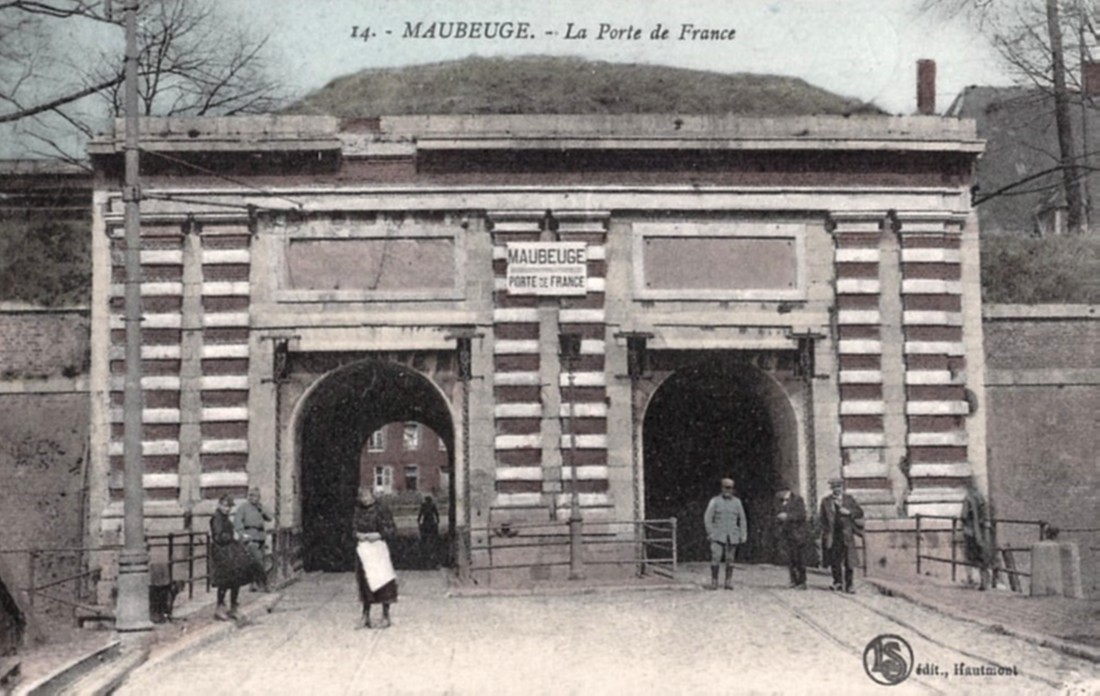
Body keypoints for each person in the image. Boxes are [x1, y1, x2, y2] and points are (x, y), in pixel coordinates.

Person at [353, 487, 398, 629]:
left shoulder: (382, 509)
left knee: (383, 581)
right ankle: (365, 615)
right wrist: (357, 535)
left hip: (378, 548)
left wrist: (378, 535)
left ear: (372, 496)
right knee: (365, 581)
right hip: (363, 550)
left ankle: (386, 615)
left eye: (366, 495)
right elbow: (352, 528)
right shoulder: (358, 510)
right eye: (361, 496)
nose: (364, 499)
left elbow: (392, 529)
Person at [209, 494, 254, 621]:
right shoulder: (216, 518)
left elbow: (229, 533)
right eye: (225, 506)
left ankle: (233, 607)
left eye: (229, 506)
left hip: (230, 553)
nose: (227, 509)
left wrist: (239, 536)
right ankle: (220, 608)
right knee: (223, 581)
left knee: (236, 579)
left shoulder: (224, 518)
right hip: (222, 554)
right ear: (219, 505)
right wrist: (232, 537)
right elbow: (217, 536)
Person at [819, 478, 864, 594]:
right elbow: (822, 519)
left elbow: (859, 512)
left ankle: (849, 585)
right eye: (834, 487)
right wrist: (824, 533)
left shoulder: (849, 500)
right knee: (835, 560)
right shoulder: (826, 501)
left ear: (842, 488)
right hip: (833, 534)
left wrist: (848, 512)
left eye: (839, 487)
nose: (837, 489)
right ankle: (837, 582)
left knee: (849, 561)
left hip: (846, 534)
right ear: (831, 489)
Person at [703, 478, 747, 590]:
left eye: (730, 488)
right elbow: (708, 518)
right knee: (715, 558)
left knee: (730, 560)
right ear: (721, 488)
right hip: (717, 535)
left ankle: (728, 582)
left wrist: (743, 534)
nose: (728, 490)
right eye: (726, 487)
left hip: (732, 535)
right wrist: (711, 532)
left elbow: (742, 519)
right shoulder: (715, 501)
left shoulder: (737, 502)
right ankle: (714, 582)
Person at [233, 487, 272, 592]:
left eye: (257, 496)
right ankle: (264, 584)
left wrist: (262, 509)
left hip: (261, 536)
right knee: (257, 560)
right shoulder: (243, 508)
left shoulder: (260, 508)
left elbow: (270, 517)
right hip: (250, 537)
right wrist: (242, 534)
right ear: (249, 497)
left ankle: (254, 583)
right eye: (253, 496)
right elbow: (237, 522)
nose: (255, 499)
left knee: (261, 560)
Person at [960, 482, 996, 591]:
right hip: (984, 531)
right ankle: (986, 581)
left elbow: (964, 515)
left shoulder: (968, 498)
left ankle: (973, 580)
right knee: (984, 555)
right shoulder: (982, 498)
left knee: (970, 555)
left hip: (972, 531)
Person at [775, 482, 809, 590]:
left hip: (798, 534)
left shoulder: (798, 500)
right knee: (791, 559)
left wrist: (787, 516)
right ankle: (794, 580)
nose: (777, 495)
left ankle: (802, 582)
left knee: (800, 559)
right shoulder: (779, 501)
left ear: (785, 491)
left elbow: (802, 515)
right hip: (787, 534)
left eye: (779, 492)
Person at [417, 495, 441, 568]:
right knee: (432, 538)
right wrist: (437, 520)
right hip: (430, 521)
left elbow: (420, 513)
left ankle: (426, 546)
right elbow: (436, 513)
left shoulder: (424, 505)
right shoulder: (432, 505)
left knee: (426, 537)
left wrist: (418, 520)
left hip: (427, 521)